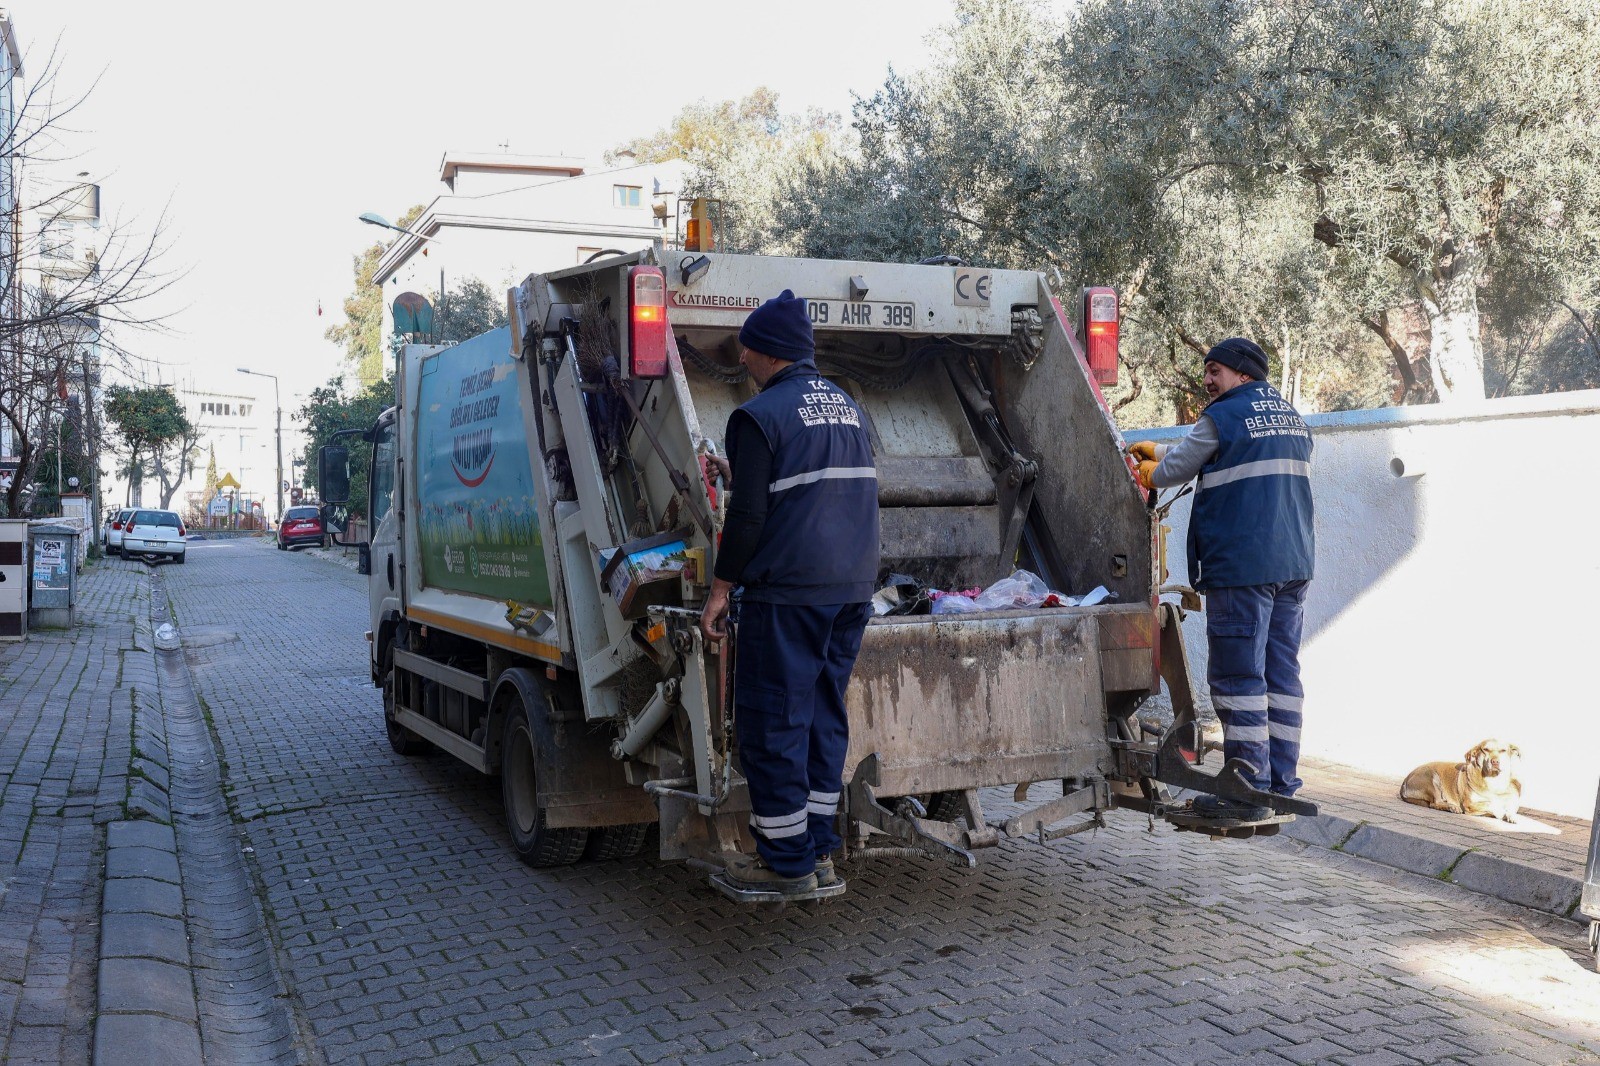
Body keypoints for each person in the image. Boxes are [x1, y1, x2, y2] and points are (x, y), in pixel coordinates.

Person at [699, 289, 881, 896]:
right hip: (851, 590)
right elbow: (816, 486)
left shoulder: (758, 416)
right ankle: (820, 848)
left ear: (770, 352)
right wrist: (743, 472)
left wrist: (720, 590)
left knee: (774, 719)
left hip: (790, 595)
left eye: (747, 349)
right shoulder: (850, 409)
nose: (742, 360)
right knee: (823, 714)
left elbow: (748, 519)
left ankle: (788, 862)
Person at [1128, 337, 1314, 822]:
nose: (1208, 380)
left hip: (1242, 568)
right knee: (1281, 674)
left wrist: (1149, 469)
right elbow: (1220, 453)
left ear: (1243, 375)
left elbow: (1176, 468)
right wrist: (1166, 450)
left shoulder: (1225, 414)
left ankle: (1244, 787)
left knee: (1238, 678)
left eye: (1215, 371)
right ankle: (1280, 781)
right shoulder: (1290, 417)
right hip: (1292, 567)